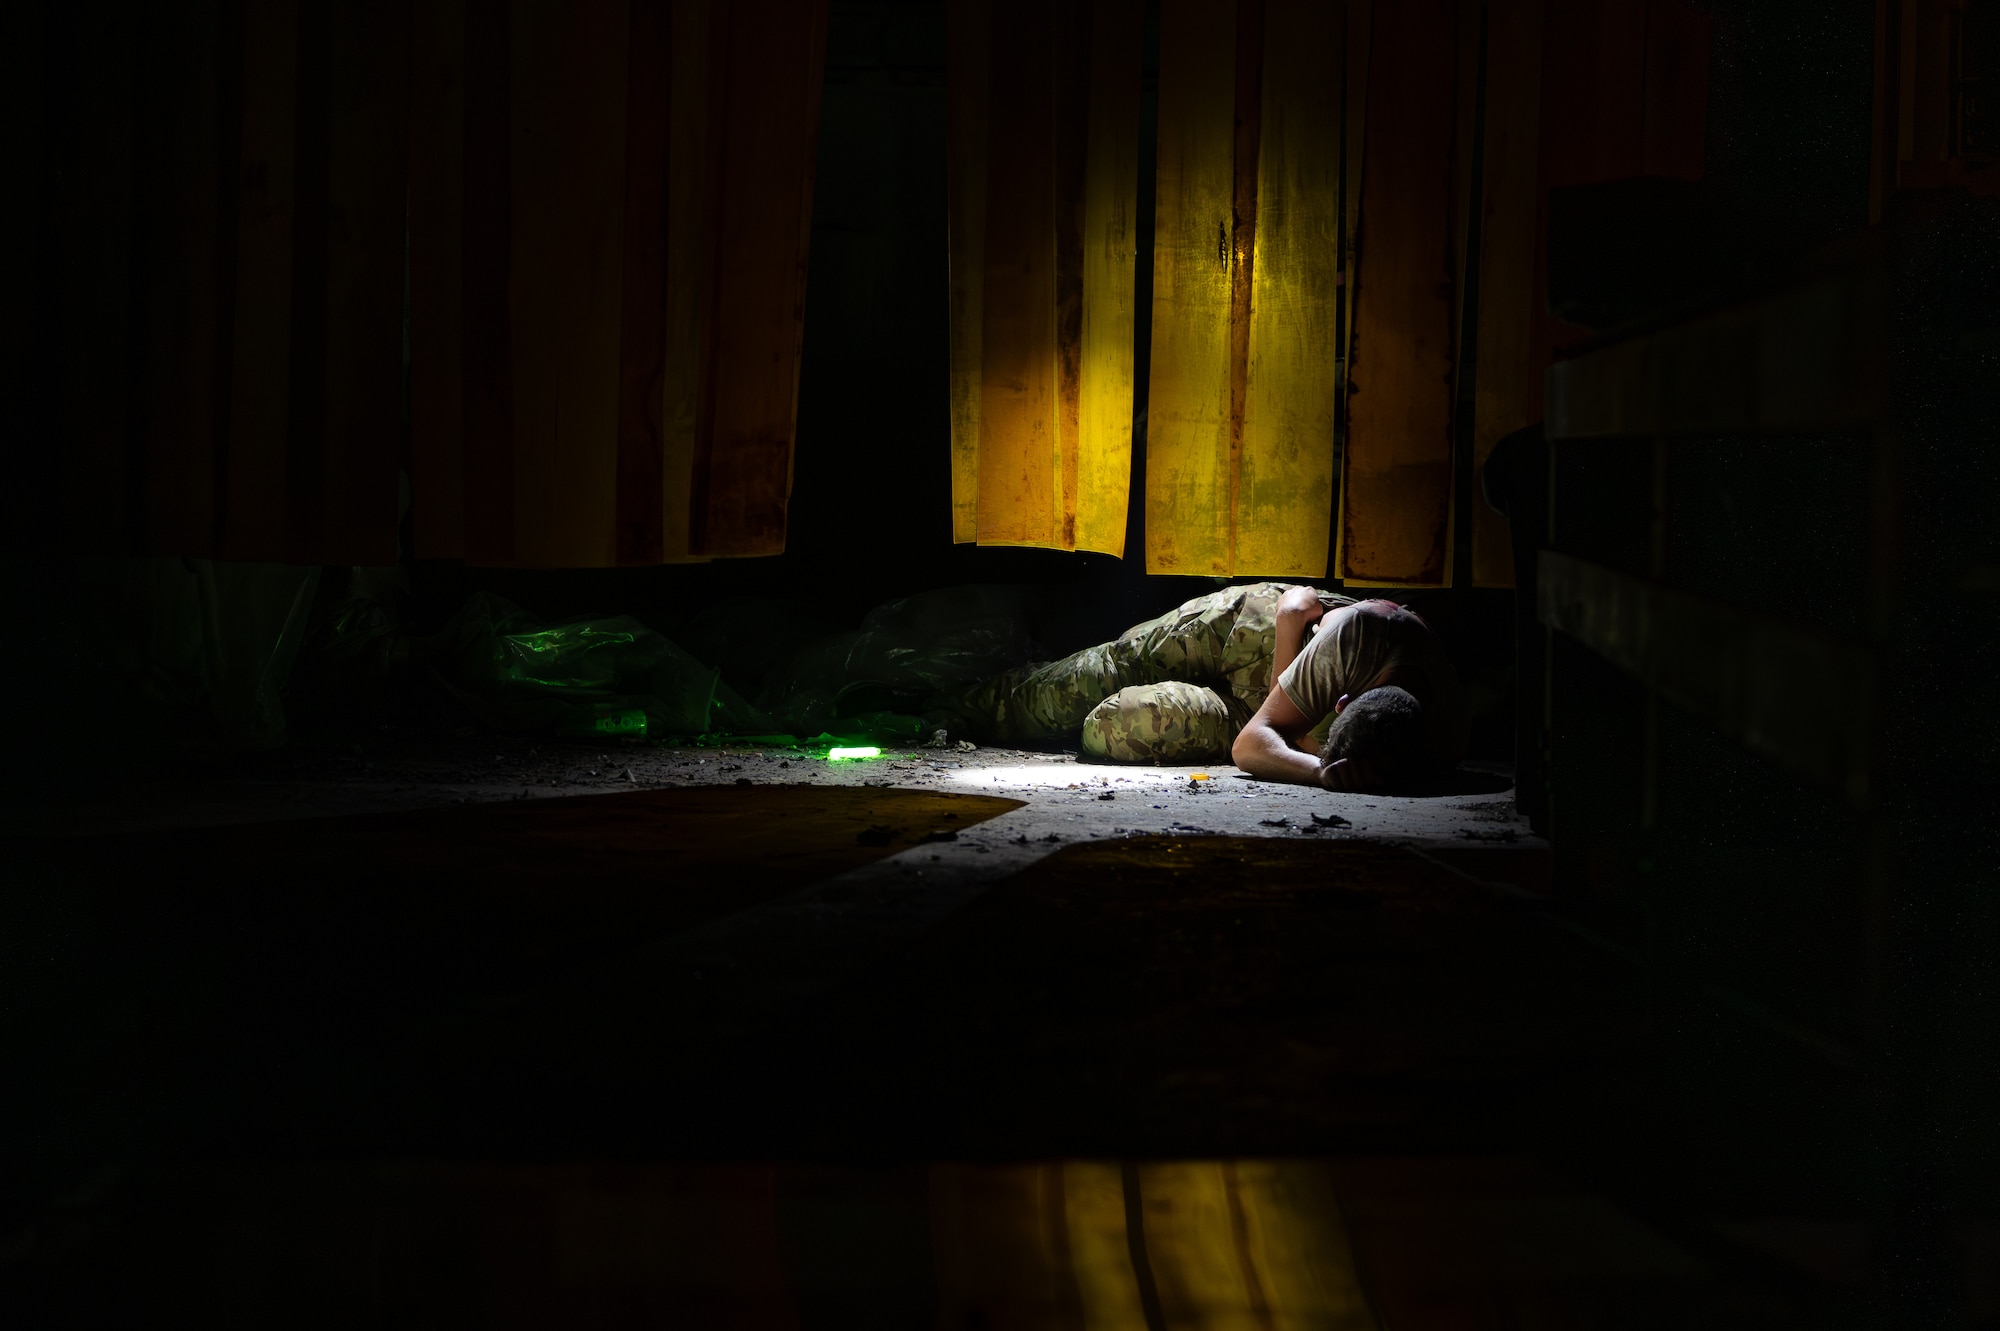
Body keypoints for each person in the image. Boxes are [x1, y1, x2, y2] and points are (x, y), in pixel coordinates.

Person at [936, 582, 1467, 791]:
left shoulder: (1434, 741)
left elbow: (1252, 738)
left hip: (1251, 710)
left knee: (1114, 725)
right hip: (1248, 632)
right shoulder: (1362, 634)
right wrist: (1324, 773)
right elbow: (1256, 744)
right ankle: (945, 701)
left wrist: (1326, 764)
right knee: (1081, 682)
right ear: (1342, 700)